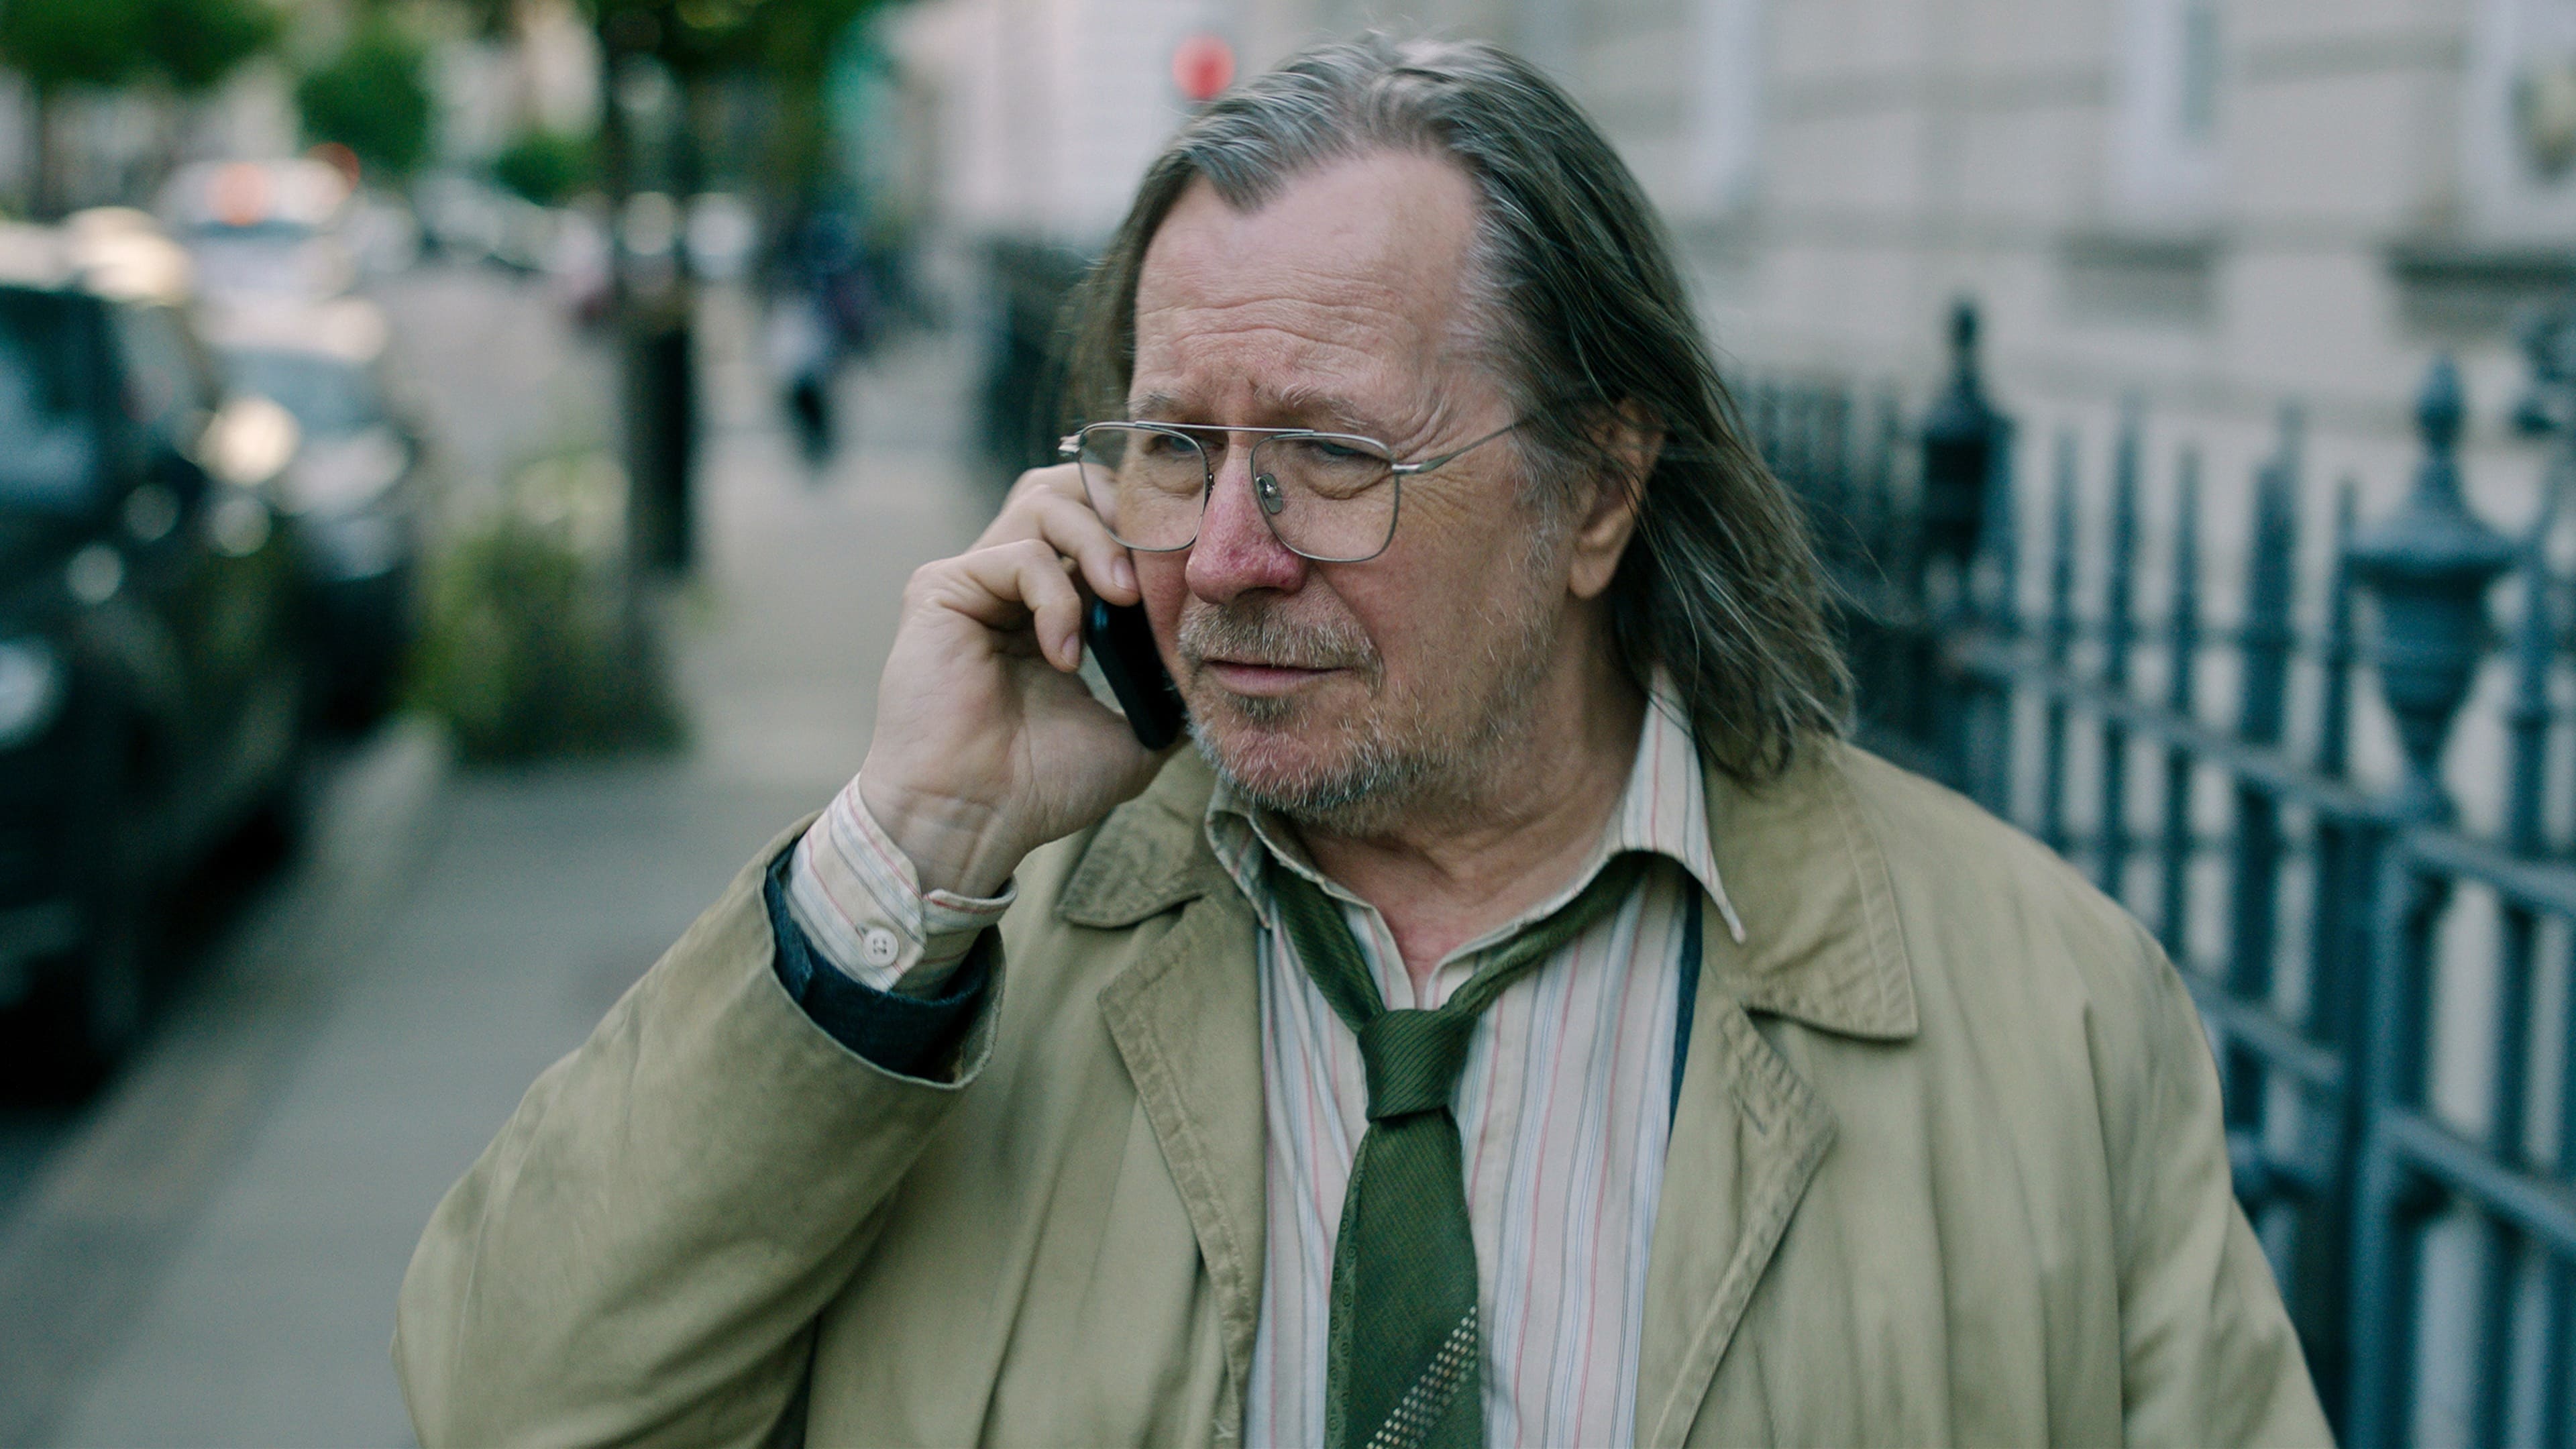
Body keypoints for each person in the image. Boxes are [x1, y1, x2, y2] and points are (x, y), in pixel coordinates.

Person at [396, 35, 2330, 1449]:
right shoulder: (955, 961)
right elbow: (510, 1402)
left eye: (1332, 456)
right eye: (1176, 448)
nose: (1228, 555)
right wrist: (906, 850)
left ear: (1599, 491)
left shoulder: (2046, 1010)